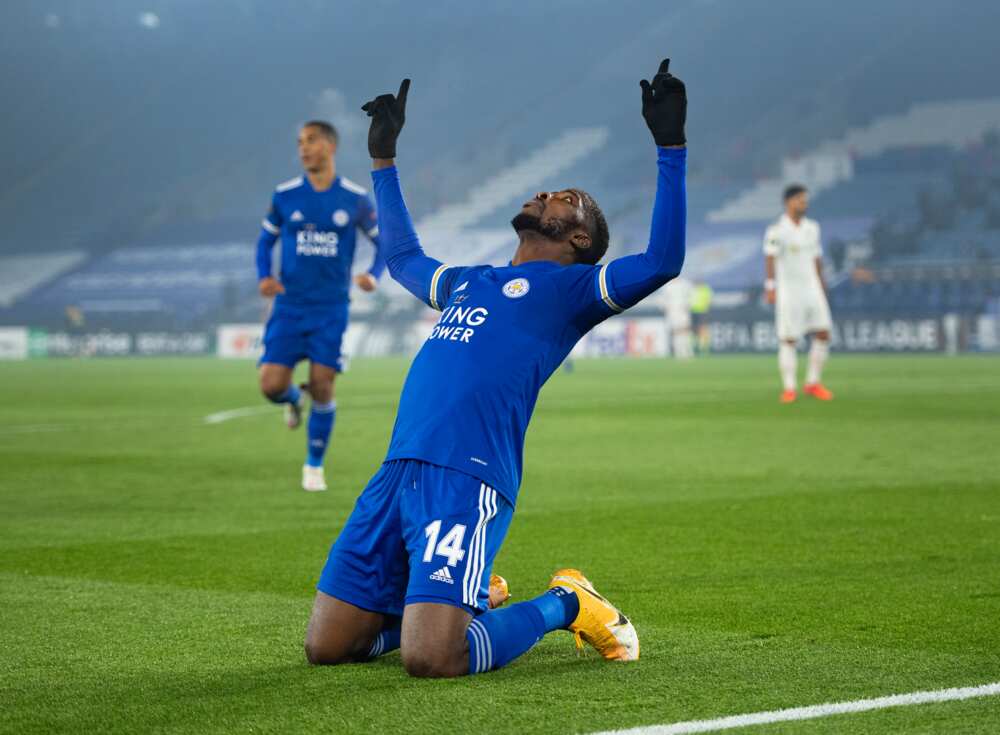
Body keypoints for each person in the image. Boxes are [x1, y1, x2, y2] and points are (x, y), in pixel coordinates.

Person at [304, 58, 687, 678]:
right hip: (397, 469)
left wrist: (670, 147)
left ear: (580, 240)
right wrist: (383, 159)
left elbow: (664, 259)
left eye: (565, 200)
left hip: (468, 477)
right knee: (327, 647)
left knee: (434, 658)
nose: (545, 195)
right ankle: (465, 602)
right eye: (545, 190)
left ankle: (568, 602)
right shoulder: (472, 281)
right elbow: (402, 256)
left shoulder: (574, 290)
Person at [255, 120, 385, 491]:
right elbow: (264, 242)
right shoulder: (285, 196)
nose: (303, 148)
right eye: (299, 142)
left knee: (323, 384)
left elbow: (384, 244)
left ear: (330, 146)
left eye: (310, 141)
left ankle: (314, 466)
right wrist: (265, 275)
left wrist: (373, 275)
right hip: (289, 306)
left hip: (331, 308)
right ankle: (293, 399)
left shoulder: (355, 199)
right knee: (269, 385)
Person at [763, 184, 834, 403]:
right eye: (801, 200)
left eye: (805, 200)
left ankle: (813, 382)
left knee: (823, 333)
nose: (804, 204)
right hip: (789, 290)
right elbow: (770, 257)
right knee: (789, 338)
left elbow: (817, 258)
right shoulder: (777, 230)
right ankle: (789, 388)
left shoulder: (812, 228)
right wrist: (770, 286)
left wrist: (822, 284)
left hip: (811, 288)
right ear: (789, 202)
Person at [660, 276, 694, 359]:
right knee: (676, 332)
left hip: (683, 311)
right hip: (672, 312)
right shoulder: (666, 286)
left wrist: (687, 305)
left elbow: (691, 295)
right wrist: (666, 307)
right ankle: (679, 352)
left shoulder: (685, 284)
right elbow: (662, 300)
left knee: (685, 331)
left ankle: (688, 351)